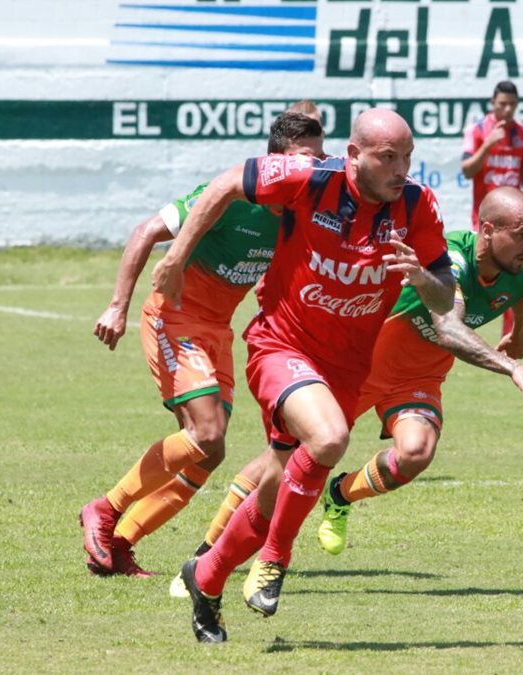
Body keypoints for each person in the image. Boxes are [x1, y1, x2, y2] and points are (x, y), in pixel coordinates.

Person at [167, 187, 523, 597]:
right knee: (280, 462)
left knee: (415, 454)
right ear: (486, 230)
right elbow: (451, 327)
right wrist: (513, 367)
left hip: (418, 379)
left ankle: (340, 494)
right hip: (362, 368)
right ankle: (205, 553)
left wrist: (519, 333)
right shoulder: (450, 260)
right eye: (521, 235)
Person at [163, 109, 455, 643]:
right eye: (387, 157)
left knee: (276, 486)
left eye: (407, 157)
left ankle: (205, 578)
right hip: (281, 345)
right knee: (330, 437)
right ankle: (275, 559)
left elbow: (444, 293)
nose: (400, 169)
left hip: (346, 368)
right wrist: (178, 258)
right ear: (354, 156)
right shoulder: (307, 181)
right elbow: (229, 182)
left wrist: (420, 276)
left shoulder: (416, 204)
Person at [77, 108, 324, 577]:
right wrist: (117, 305)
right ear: (276, 161)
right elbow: (147, 231)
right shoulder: (232, 195)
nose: (314, 167)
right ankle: (105, 510)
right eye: (304, 158)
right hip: (173, 319)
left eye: (319, 156)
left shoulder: (302, 211)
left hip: (217, 330)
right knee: (206, 434)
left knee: (210, 451)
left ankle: (121, 543)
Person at [461, 80, 523, 338]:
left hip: (515, 221)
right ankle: (461, 324)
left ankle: (511, 335)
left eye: (512, 105)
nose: (507, 109)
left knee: (514, 272)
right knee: (478, 273)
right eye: (502, 104)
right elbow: (467, 170)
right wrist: (488, 145)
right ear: (493, 103)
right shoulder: (478, 130)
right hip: (487, 220)